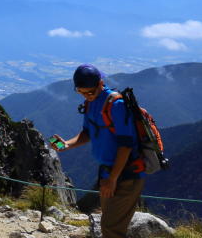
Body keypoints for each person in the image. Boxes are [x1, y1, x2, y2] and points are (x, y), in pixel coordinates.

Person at [52, 65, 145, 238]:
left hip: (126, 174)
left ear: (101, 83)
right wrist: (67, 145)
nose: (87, 96)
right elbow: (87, 132)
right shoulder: (91, 104)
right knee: (108, 225)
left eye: (90, 92)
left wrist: (113, 178)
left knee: (112, 229)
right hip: (108, 172)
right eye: (81, 92)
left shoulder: (117, 105)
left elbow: (126, 146)